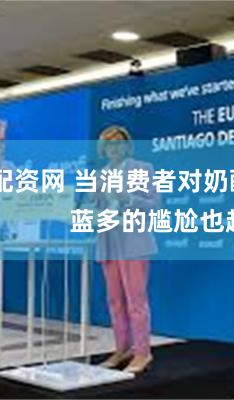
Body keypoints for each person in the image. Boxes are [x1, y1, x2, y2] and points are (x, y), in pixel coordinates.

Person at [95, 126, 158, 373]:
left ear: (127, 145)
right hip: (108, 241)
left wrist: (129, 199)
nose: (114, 148)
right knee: (114, 300)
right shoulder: (100, 175)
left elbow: (155, 204)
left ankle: (143, 353)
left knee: (135, 300)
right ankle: (122, 348)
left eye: (119, 143)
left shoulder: (141, 169)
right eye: (109, 144)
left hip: (133, 241)